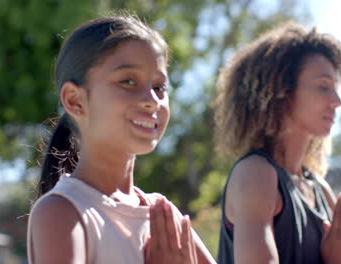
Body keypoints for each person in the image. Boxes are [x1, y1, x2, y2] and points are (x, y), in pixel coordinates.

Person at [27, 16, 216, 264]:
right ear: (75, 100)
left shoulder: (164, 217)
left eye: (159, 87)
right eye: (128, 81)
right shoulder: (61, 212)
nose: (152, 99)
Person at [213, 22, 341, 264]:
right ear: (280, 90)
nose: (336, 101)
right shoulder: (255, 174)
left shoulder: (321, 191)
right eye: (324, 86)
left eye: (335, 89)